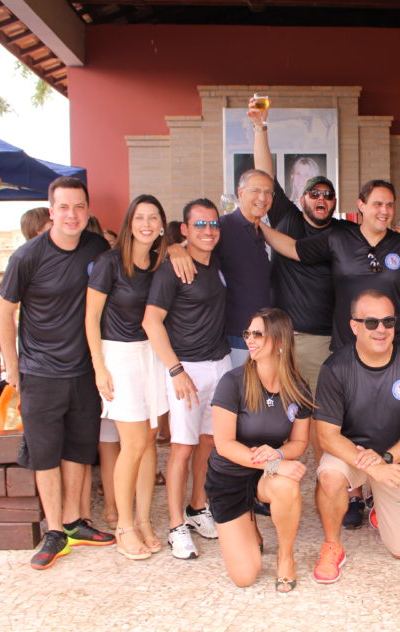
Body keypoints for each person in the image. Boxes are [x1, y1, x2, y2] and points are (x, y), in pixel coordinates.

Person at [0, 176, 114, 570]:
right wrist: (12, 368)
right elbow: (2, 311)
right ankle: (55, 531)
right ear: (51, 210)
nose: (72, 214)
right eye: (63, 207)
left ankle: (77, 522)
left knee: (79, 449)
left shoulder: (96, 248)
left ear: (87, 211)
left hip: (82, 371)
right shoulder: (27, 256)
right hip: (40, 372)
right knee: (46, 454)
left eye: (79, 206)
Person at [311, 290, 400, 584]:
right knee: (329, 477)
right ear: (354, 326)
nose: (381, 329)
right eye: (371, 322)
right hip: (351, 454)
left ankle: (380, 507)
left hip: (393, 458)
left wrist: (386, 459)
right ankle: (332, 546)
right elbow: (327, 436)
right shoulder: (336, 367)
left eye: (388, 321)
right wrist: (371, 465)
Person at [249, 96, 344, 459]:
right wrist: (260, 127)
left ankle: (331, 484)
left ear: (334, 203)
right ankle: (264, 482)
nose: (321, 198)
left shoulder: (338, 233)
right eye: (314, 193)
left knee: (323, 420)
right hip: (279, 338)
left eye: (327, 195)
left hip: (319, 343)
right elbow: (264, 173)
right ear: (301, 197)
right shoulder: (287, 216)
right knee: (267, 416)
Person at [142, 198, 233, 560]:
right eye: (199, 225)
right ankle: (176, 525)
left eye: (213, 224)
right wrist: (175, 370)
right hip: (187, 369)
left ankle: (198, 509)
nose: (208, 231)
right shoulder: (171, 269)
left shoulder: (217, 262)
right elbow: (151, 322)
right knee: (181, 446)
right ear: (184, 229)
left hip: (219, 363)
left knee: (209, 442)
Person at [86, 194, 169, 559]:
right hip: (118, 355)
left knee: (149, 440)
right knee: (132, 443)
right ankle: (123, 525)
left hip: (151, 355)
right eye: (140, 217)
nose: (146, 224)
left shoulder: (160, 263)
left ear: (162, 225)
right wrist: (98, 365)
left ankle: (144, 519)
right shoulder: (109, 263)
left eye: (153, 217)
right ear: (129, 223)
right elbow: (90, 318)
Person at [206, 308, 313, 593]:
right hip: (229, 479)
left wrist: (278, 455)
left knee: (287, 486)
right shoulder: (232, 382)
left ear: (279, 342)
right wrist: (274, 465)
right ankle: (247, 520)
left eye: (258, 334)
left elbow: (299, 443)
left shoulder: (298, 387)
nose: (250, 340)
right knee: (245, 576)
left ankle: (285, 556)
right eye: (248, 333)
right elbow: (224, 445)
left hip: (263, 479)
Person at [260, 179, 400, 351]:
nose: (384, 211)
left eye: (390, 205)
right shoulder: (338, 237)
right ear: (361, 205)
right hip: (348, 347)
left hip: (393, 346)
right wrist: (255, 222)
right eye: (378, 204)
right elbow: (293, 248)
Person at [169, 171, 274, 367]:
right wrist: (174, 249)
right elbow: (188, 246)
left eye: (268, 192)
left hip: (261, 335)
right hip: (236, 337)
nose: (263, 197)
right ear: (240, 193)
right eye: (256, 190)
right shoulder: (224, 227)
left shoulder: (258, 231)